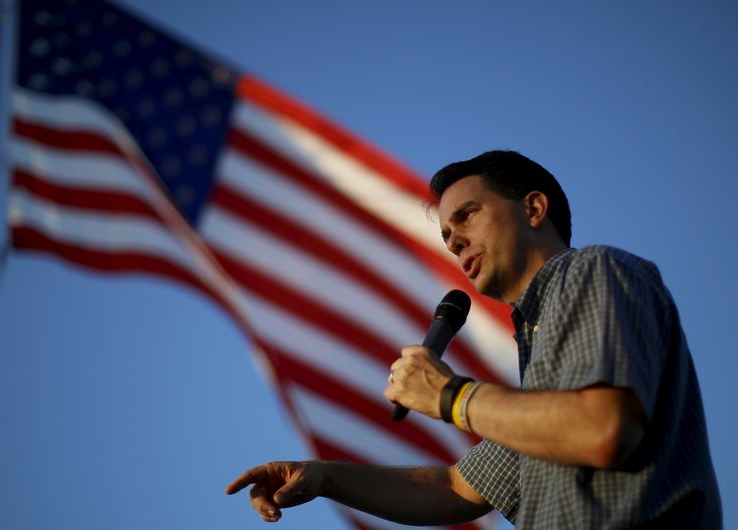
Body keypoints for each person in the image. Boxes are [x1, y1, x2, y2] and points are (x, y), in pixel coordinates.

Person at [225, 150, 722, 528]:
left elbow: (604, 428)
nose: (454, 240)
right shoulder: (539, 368)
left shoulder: (591, 270)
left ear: (533, 208)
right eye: (446, 234)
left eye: (467, 215)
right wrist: (325, 476)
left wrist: (451, 395)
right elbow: (456, 486)